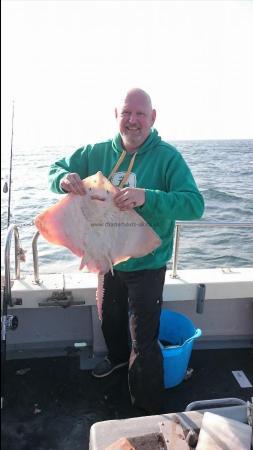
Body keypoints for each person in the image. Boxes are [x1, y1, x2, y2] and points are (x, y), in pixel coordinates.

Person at [48, 88, 205, 414]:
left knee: (143, 341)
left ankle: (147, 412)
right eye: (126, 113)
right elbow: (55, 170)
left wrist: (148, 197)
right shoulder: (96, 151)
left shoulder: (167, 157)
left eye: (140, 114)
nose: (133, 121)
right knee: (109, 320)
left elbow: (194, 205)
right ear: (116, 115)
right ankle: (120, 362)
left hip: (148, 262)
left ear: (153, 118)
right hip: (107, 259)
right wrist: (65, 179)